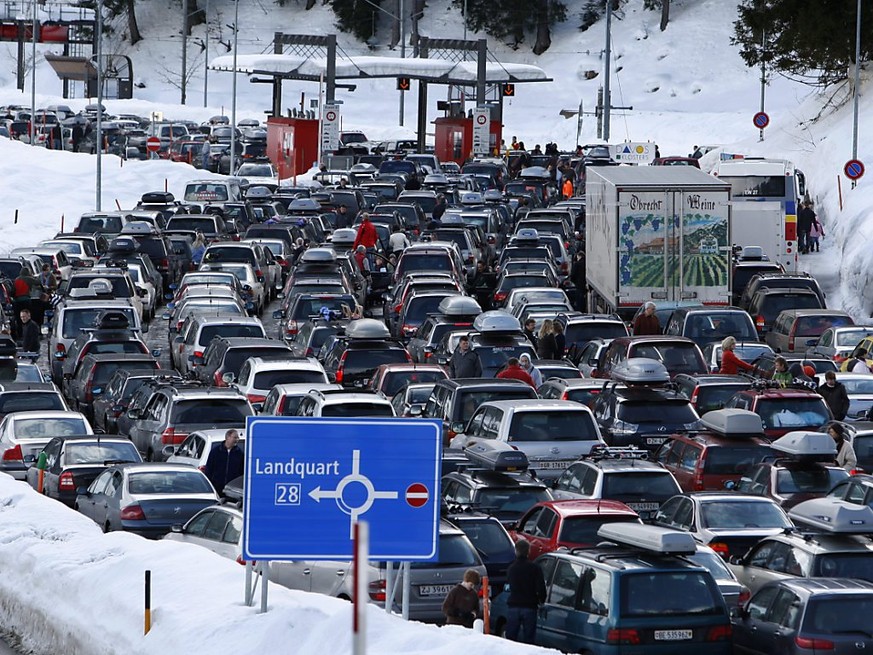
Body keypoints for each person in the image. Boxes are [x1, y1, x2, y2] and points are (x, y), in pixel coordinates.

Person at [504, 539, 546, 644]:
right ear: (529, 551)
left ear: (516, 551)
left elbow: (508, 586)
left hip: (514, 605)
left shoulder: (511, 568)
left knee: (511, 639)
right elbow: (541, 588)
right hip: (530, 606)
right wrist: (541, 600)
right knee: (529, 639)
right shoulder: (535, 568)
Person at [204, 428, 244, 495]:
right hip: (217, 487)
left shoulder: (239, 453)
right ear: (227, 437)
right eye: (235, 437)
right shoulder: (216, 451)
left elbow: (241, 471)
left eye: (238, 438)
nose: (237, 440)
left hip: (232, 488)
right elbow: (209, 469)